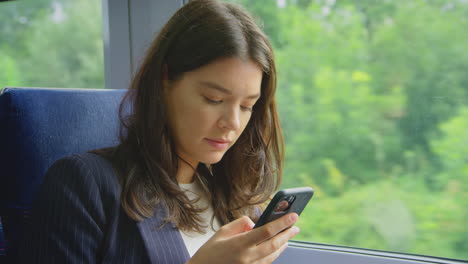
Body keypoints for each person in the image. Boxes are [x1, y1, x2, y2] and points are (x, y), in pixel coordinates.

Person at [20, 0, 300, 263]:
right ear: (165, 80)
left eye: (247, 106)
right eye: (214, 100)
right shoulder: (85, 185)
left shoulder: (240, 204)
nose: (233, 123)